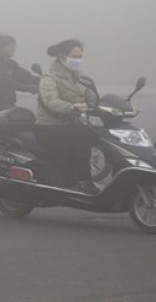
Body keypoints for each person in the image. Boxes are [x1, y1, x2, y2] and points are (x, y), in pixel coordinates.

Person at [34, 38, 99, 195]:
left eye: (80, 57)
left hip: (71, 124)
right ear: (62, 57)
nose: (78, 60)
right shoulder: (49, 78)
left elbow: (93, 97)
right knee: (82, 138)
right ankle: (83, 181)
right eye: (74, 57)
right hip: (50, 127)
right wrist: (71, 107)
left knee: (98, 134)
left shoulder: (82, 76)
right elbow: (51, 101)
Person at [0, 33, 40, 112]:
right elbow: (4, 81)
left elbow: (26, 77)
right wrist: (27, 88)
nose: (13, 49)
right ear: (1, 47)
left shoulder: (11, 64)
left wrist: (45, 81)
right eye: (10, 46)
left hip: (8, 107)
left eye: (14, 46)